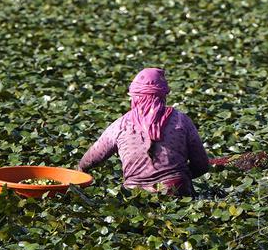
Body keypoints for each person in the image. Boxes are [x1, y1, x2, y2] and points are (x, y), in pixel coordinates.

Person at [78, 68, 210, 196]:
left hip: (135, 194)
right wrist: (180, 177)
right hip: (176, 190)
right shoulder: (181, 120)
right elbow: (202, 165)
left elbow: (94, 156)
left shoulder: (121, 125)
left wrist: (81, 169)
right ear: (163, 95)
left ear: (135, 97)